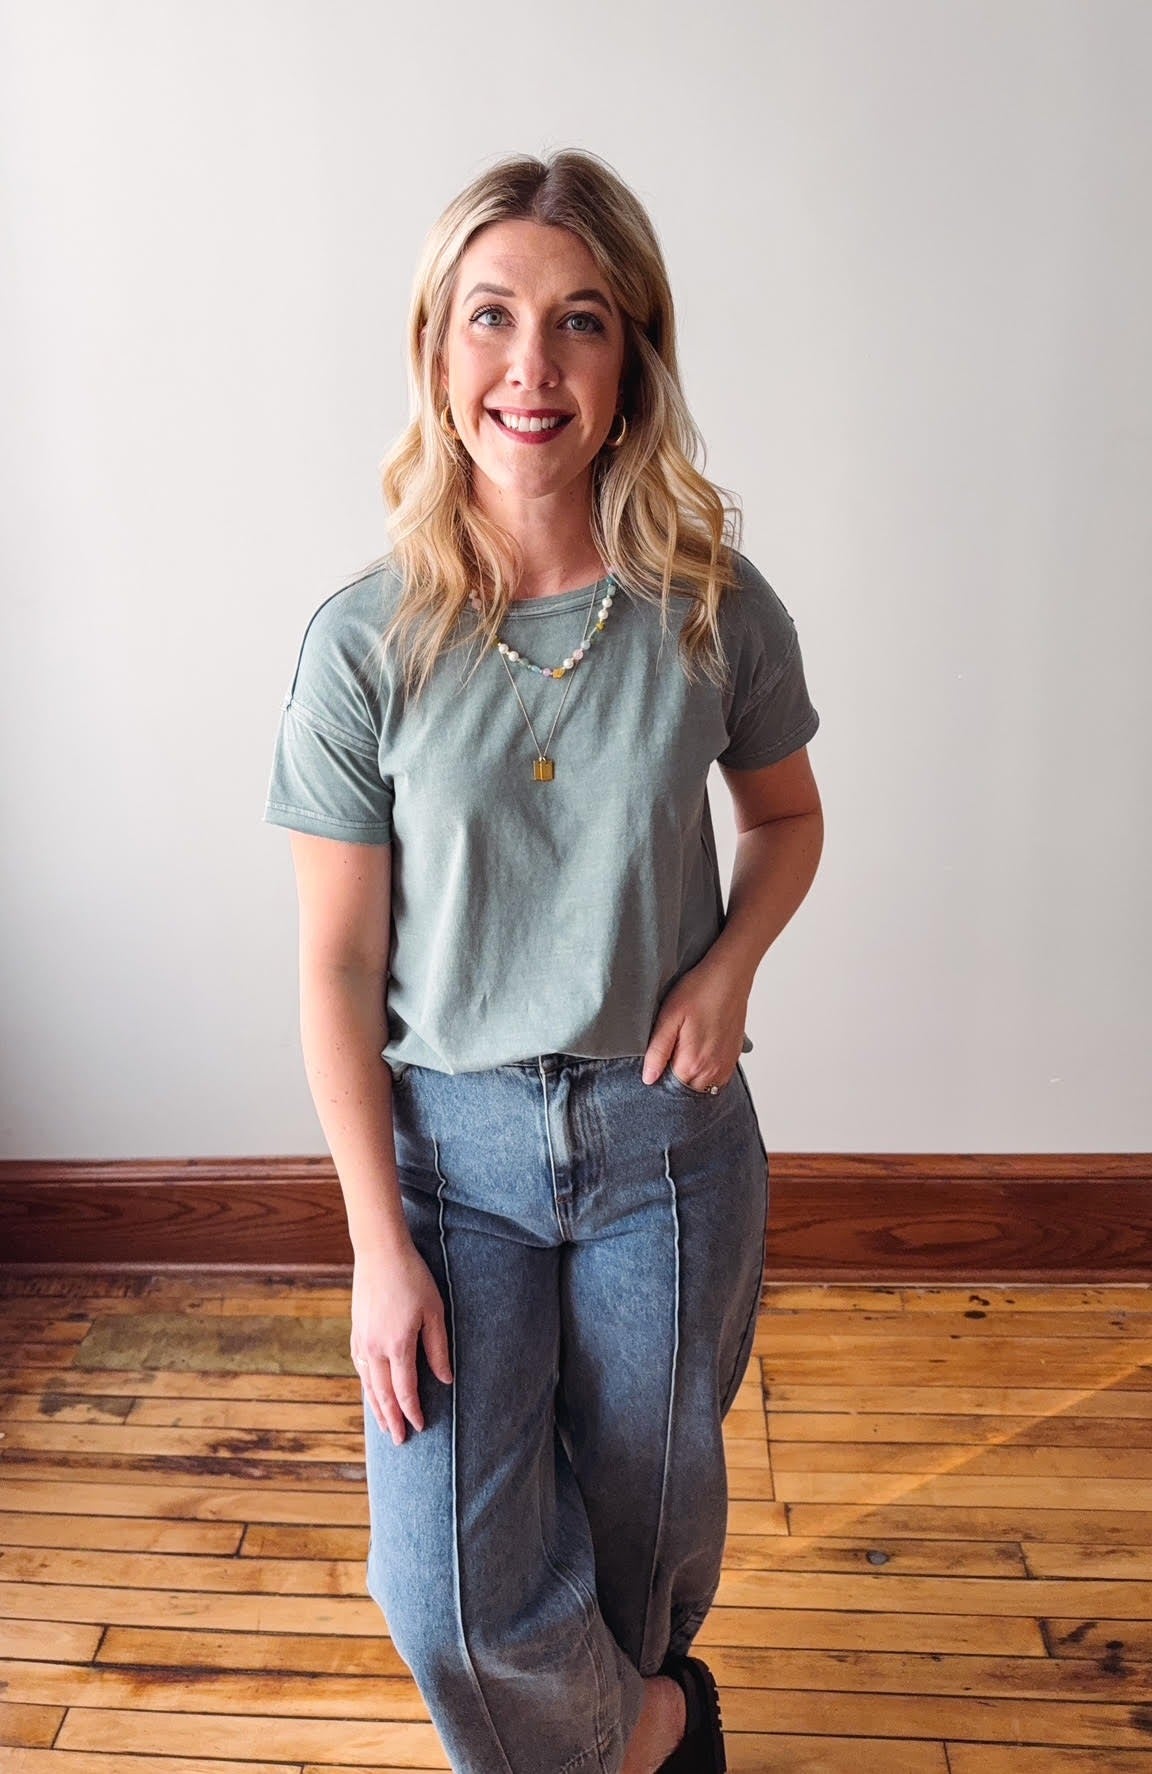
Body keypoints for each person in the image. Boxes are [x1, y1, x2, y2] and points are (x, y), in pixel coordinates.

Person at [263, 148, 823, 1774]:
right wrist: (376, 1244)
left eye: (581, 320)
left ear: (633, 357)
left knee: (646, 1546)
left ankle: (637, 1700)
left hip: (666, 1146)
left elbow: (788, 821)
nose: (533, 364)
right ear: (437, 352)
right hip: (451, 1160)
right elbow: (334, 969)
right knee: (446, 1593)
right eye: (492, 315)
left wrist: (729, 968)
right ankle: (652, 1736)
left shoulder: (714, 609)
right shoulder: (362, 644)